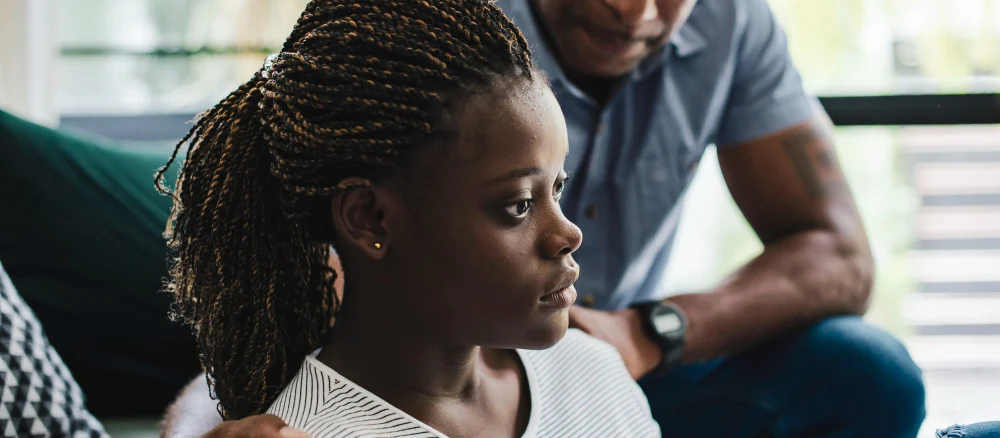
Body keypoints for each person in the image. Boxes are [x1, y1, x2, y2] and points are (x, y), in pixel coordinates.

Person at [171, 0, 927, 437]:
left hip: (591, 352)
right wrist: (224, 409)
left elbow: (841, 254)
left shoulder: (593, 379)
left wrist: (644, 333)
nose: (635, 12)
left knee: (870, 372)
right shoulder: (429, 41)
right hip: (433, 333)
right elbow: (299, 276)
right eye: (516, 204)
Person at [155, 0, 661, 437]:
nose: (568, 233)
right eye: (518, 206)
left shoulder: (592, 372)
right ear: (371, 218)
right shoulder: (304, 432)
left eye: (558, 189)